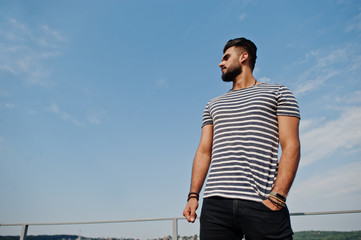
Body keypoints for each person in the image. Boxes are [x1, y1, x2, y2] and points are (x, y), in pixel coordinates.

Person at [183, 37, 301, 240]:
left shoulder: (278, 92)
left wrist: (278, 196)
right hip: (215, 205)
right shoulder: (213, 104)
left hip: (262, 202)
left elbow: (291, 145)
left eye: (226, 57)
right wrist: (193, 196)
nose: (221, 63)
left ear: (244, 57)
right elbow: (204, 151)